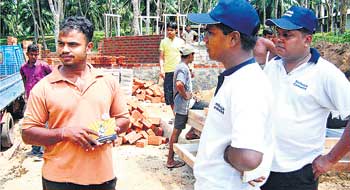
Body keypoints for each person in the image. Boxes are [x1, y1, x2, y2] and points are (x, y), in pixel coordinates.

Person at [21, 16, 130, 190]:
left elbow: (124, 120)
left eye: (72, 44)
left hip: (102, 177)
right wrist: (64, 133)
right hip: (58, 180)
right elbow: (27, 134)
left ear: (89, 47)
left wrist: (104, 132)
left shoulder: (107, 82)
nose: (64, 49)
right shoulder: (44, 87)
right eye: (61, 44)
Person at [261, 6, 350, 190]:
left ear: (307, 39)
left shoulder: (326, 74)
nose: (279, 39)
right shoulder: (272, 67)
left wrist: (330, 159)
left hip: (299, 174)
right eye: (278, 33)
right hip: (263, 168)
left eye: (287, 35)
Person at [188, 0, 274, 189]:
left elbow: (248, 157)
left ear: (233, 38)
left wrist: (224, 152)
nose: (205, 39)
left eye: (211, 33)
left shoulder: (248, 85)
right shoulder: (237, 78)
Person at [20, 43, 52, 157]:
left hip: (45, 99)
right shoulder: (23, 68)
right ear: (27, 54)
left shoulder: (43, 66)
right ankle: (35, 149)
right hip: (31, 99)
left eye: (36, 54)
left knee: (45, 124)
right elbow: (25, 80)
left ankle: (45, 148)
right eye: (32, 54)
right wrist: (26, 94)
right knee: (33, 124)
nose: (34, 57)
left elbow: (53, 76)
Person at [166, 44, 195, 169]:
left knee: (178, 130)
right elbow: (179, 84)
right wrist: (186, 95)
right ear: (189, 55)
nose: (194, 57)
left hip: (182, 103)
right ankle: (170, 160)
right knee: (176, 131)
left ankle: (192, 132)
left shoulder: (183, 67)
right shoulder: (183, 68)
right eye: (193, 54)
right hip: (182, 104)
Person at [159, 22, 185, 111]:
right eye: (168, 30)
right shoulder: (163, 42)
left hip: (179, 71)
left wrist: (189, 68)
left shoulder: (181, 42)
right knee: (169, 95)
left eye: (172, 30)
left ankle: (179, 115)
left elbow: (185, 56)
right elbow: (161, 57)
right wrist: (161, 69)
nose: (169, 32)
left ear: (176, 30)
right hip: (168, 71)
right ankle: (175, 115)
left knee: (179, 93)